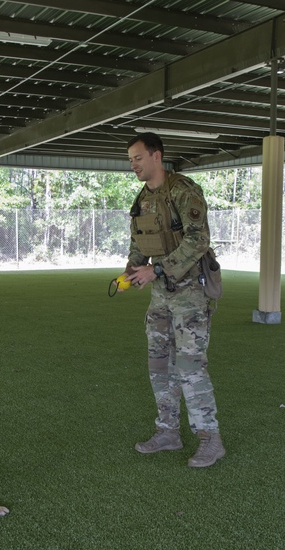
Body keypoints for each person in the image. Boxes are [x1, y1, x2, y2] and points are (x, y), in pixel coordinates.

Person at [124, 132, 224, 468]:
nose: (134, 165)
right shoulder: (142, 199)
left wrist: (158, 270)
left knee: (190, 366)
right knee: (158, 365)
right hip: (160, 296)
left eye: (138, 158)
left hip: (189, 293)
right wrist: (131, 271)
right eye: (130, 161)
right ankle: (168, 431)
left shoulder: (183, 190)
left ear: (156, 156)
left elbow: (199, 239)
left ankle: (210, 438)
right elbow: (139, 241)